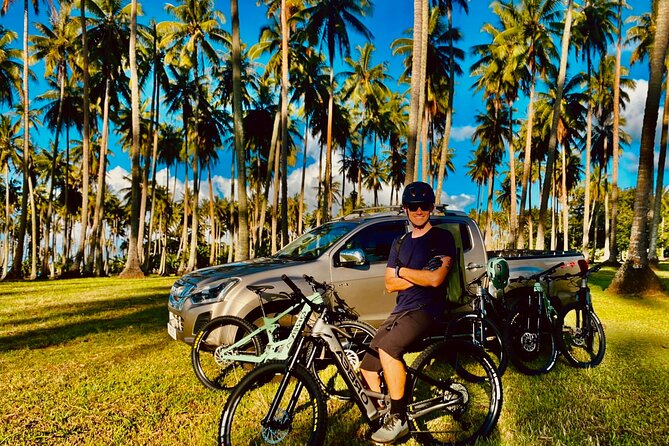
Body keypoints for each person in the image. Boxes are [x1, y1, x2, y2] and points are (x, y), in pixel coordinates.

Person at [360, 181, 456, 444]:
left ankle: (399, 418)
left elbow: (436, 280)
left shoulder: (442, 238)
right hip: (401, 310)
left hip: (428, 310)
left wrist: (403, 272)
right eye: (413, 206)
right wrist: (419, 274)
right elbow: (390, 284)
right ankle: (383, 414)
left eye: (424, 206)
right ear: (405, 209)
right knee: (367, 365)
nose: (419, 211)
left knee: (389, 350)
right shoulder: (399, 243)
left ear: (431, 208)